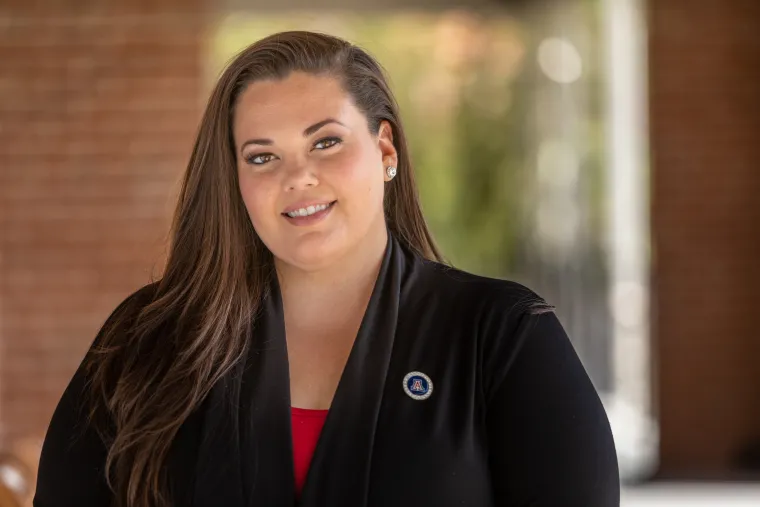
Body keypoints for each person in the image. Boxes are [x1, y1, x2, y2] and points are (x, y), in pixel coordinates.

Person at [33, 31, 620, 507]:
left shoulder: (502, 335)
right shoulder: (147, 337)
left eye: (326, 143)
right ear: (234, 181)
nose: (297, 177)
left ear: (385, 150)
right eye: (262, 156)